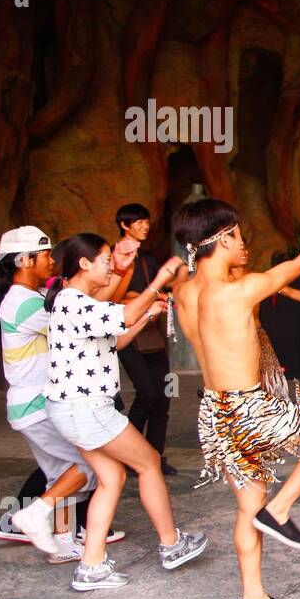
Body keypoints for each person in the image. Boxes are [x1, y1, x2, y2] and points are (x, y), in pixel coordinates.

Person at [171, 192, 300, 599]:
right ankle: (281, 509)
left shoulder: (183, 292)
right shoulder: (241, 291)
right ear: (221, 239)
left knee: (247, 508)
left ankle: (253, 597)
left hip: (215, 414)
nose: (242, 241)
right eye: (236, 235)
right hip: (250, 408)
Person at [44, 234, 206, 590]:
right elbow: (125, 311)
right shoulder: (73, 301)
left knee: (111, 478)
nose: (109, 268)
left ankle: (91, 566)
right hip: (86, 409)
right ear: (84, 264)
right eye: (104, 261)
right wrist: (160, 279)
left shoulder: (76, 301)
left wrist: (145, 314)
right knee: (148, 462)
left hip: (74, 409)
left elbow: (115, 341)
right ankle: (171, 544)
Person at [0, 227, 112, 563]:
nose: (51, 262)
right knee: (86, 466)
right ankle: (33, 513)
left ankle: (63, 542)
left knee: (62, 474)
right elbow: (79, 321)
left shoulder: (31, 296)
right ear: (24, 260)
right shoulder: (24, 303)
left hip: (31, 405)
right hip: (36, 405)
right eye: (44, 256)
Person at [114, 203, 177, 477]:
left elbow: (155, 290)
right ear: (124, 225)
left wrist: (159, 295)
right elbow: (117, 296)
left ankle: (155, 455)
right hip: (127, 334)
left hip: (152, 333)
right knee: (147, 393)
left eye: (146, 221)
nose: (144, 225)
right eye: (138, 221)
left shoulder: (149, 258)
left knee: (163, 396)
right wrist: (152, 297)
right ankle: (128, 454)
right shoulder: (116, 258)